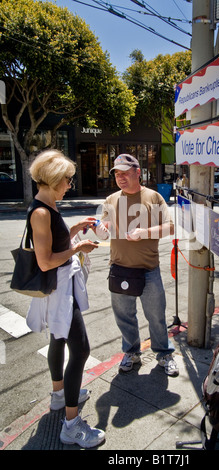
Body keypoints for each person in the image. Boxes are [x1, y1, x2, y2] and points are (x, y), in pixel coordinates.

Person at [26, 149, 105, 448]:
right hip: (59, 291)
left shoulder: (48, 204)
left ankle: (59, 395)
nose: (70, 184)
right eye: (68, 179)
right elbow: (46, 261)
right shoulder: (42, 211)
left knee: (57, 341)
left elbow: (55, 239)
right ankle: (71, 426)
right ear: (55, 178)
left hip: (60, 288)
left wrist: (74, 229)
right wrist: (79, 248)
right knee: (81, 350)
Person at [97, 154, 179, 376]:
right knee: (124, 316)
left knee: (156, 316)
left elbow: (171, 227)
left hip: (148, 270)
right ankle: (131, 353)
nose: (120, 177)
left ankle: (164, 354)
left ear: (138, 172)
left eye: (125, 172)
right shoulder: (111, 200)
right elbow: (102, 229)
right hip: (119, 268)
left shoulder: (153, 198)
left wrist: (145, 232)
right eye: (117, 173)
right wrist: (100, 231)